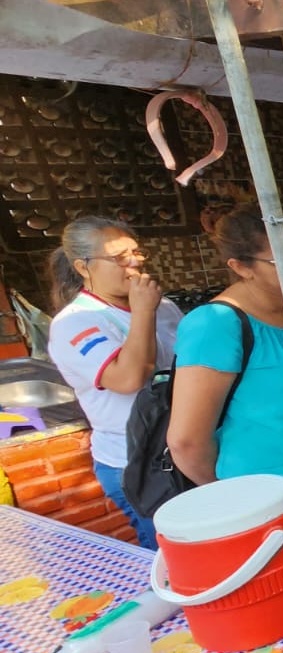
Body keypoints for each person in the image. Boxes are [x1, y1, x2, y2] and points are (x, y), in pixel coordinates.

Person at [167, 209, 283, 602]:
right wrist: (235, 500)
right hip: (268, 488)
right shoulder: (216, 324)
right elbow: (186, 440)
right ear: (240, 267)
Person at [46, 216, 182, 549]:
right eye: (119, 257)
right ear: (83, 266)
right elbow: (128, 378)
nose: (134, 262)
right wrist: (142, 312)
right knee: (173, 560)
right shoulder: (75, 323)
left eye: (136, 253)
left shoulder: (163, 307)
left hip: (182, 450)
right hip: (136, 464)